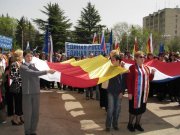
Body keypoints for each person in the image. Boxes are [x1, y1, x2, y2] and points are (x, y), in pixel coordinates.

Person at [19, 50, 55, 135]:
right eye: (28, 56)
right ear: (24, 57)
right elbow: (34, 73)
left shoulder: (33, 65)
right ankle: (27, 132)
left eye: (31, 56)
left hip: (36, 92)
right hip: (27, 93)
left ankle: (33, 131)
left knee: (35, 114)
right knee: (28, 114)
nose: (29, 58)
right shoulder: (23, 67)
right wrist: (47, 71)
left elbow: (39, 70)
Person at [127, 51, 155, 132]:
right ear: (135, 58)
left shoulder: (146, 68)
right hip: (135, 93)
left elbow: (148, 80)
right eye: (141, 57)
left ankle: (137, 124)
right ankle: (130, 124)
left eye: (144, 57)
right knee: (133, 110)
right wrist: (129, 93)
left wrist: (152, 74)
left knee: (141, 110)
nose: (143, 58)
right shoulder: (132, 68)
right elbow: (129, 81)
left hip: (144, 93)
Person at [105, 54, 126, 132]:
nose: (112, 61)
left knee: (117, 109)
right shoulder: (109, 69)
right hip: (110, 91)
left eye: (113, 60)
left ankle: (115, 124)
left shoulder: (123, 70)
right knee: (110, 109)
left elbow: (124, 83)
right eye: (111, 60)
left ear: (118, 61)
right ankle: (108, 126)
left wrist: (122, 92)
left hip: (119, 93)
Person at [9, 49, 24, 125]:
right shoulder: (14, 64)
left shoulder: (21, 63)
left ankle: (19, 117)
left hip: (21, 87)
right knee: (18, 104)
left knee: (20, 103)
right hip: (17, 87)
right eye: (22, 54)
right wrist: (23, 78)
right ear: (19, 56)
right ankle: (14, 120)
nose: (23, 55)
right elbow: (12, 76)